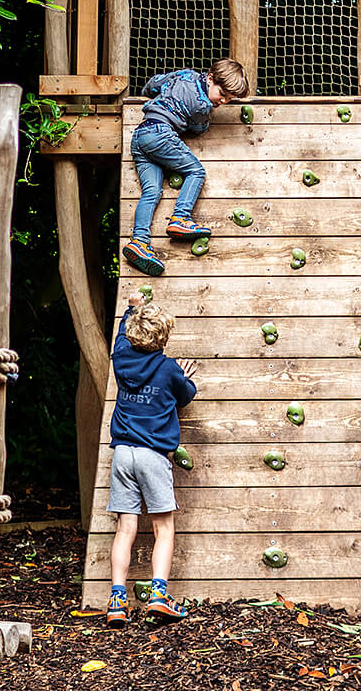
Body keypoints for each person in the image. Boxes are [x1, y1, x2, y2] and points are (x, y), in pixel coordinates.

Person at [106, 292, 199, 625]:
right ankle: (159, 594)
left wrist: (132, 306)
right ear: (164, 338)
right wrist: (184, 377)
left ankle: (117, 600)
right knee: (163, 528)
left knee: (125, 528)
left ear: (132, 334)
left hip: (123, 455)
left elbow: (120, 336)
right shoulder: (169, 369)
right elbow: (186, 396)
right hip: (152, 455)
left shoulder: (120, 360)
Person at [122, 58, 251, 277]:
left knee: (152, 192)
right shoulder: (202, 106)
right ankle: (180, 218)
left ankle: (139, 242)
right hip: (161, 134)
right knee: (196, 172)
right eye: (222, 94)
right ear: (210, 78)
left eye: (229, 99)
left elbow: (153, 84)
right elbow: (198, 128)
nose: (223, 102)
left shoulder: (184, 75)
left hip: (141, 136)